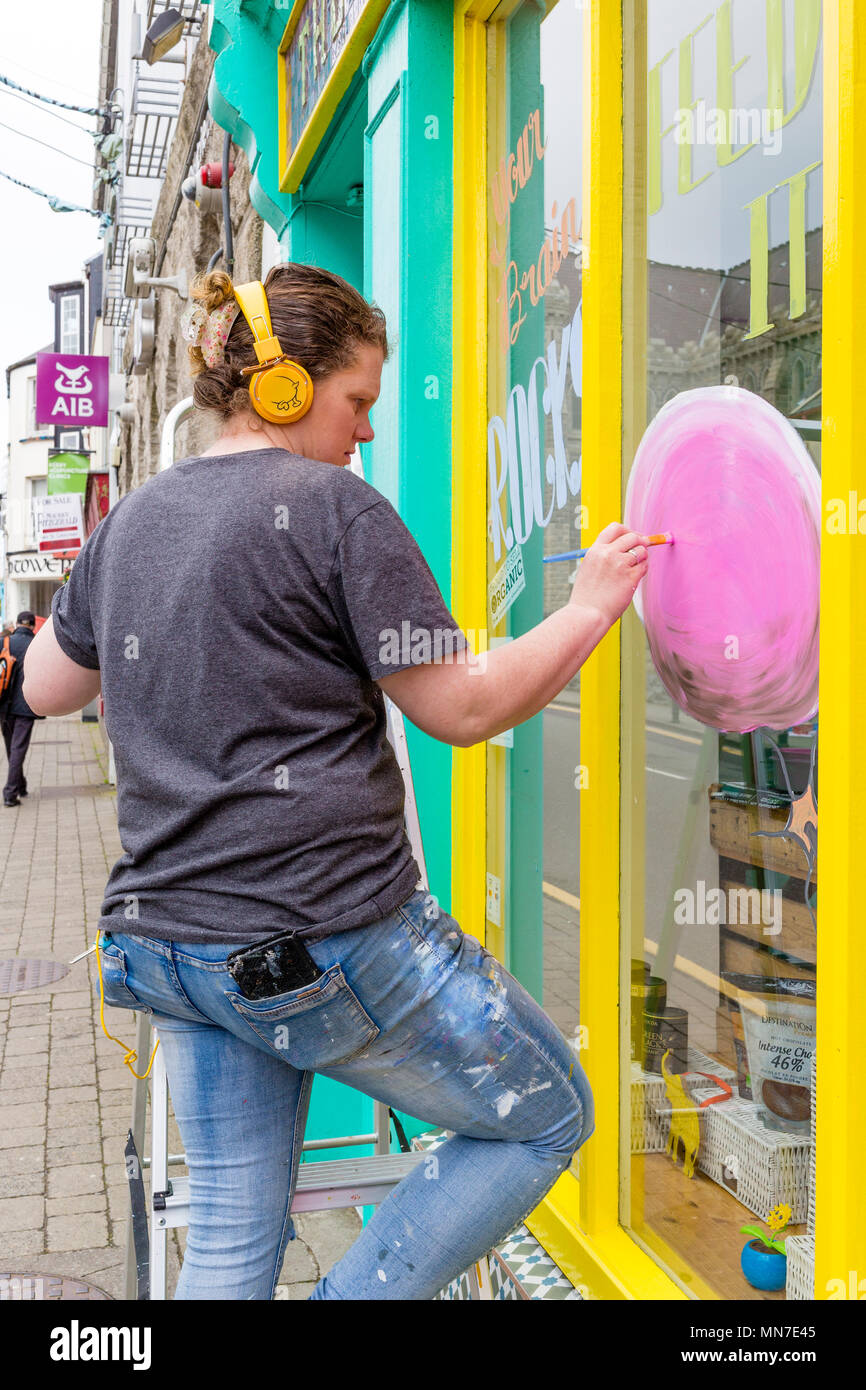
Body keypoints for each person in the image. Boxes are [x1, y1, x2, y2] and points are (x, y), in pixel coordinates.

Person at [23, 262, 650, 1300]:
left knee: (229, 1236)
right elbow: (463, 708)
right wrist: (586, 608)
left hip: (169, 946)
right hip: (319, 938)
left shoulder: (129, 521)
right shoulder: (334, 510)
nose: (363, 430)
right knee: (545, 1112)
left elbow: (47, 685)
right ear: (283, 388)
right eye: (355, 399)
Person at [1, 610, 44, 806]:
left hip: (4, 705)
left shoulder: (5, 642)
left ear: (17, 624)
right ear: (33, 626)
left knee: (12, 747)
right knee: (17, 748)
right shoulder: (37, 645)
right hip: (26, 706)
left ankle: (20, 784)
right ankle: (10, 793)